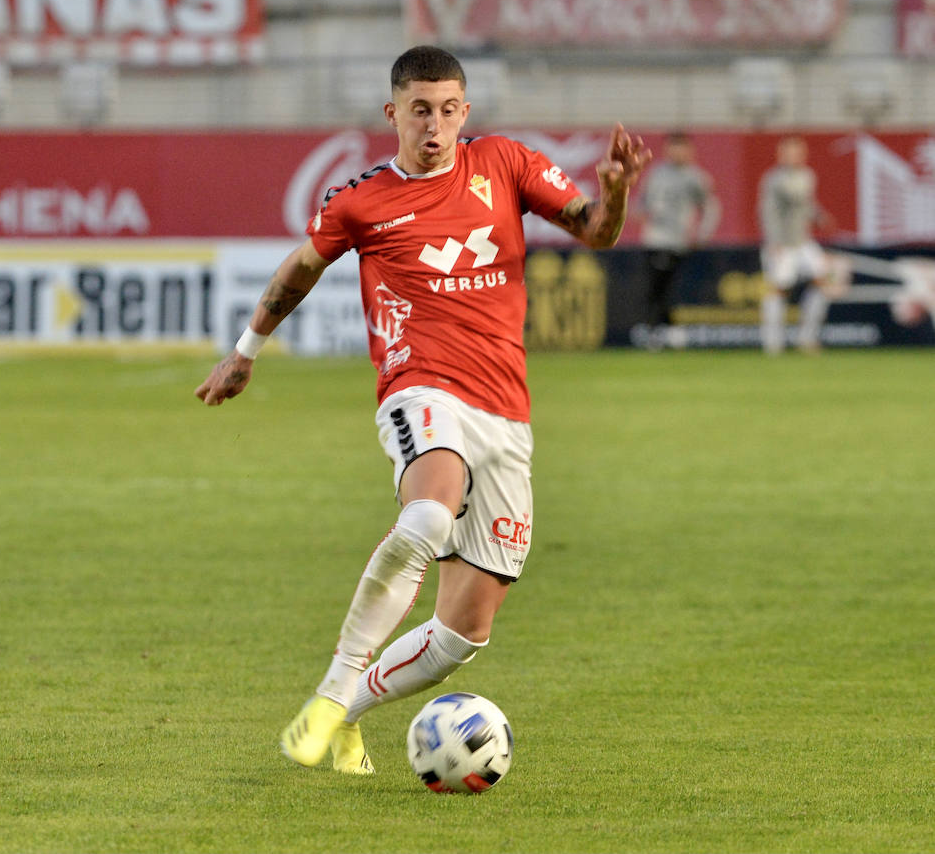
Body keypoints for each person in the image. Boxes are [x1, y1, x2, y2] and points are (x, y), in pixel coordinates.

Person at [194, 46, 649, 773]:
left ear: (464, 112)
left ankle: (349, 714)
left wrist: (618, 189)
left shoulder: (504, 164)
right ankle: (333, 687)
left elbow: (597, 229)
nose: (433, 126)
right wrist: (246, 350)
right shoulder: (361, 200)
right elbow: (299, 270)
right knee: (429, 512)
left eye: (446, 110)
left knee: (463, 633)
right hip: (419, 385)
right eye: (418, 111)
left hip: (504, 411)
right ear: (393, 114)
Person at [757, 136, 834, 354]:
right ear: (780, 155)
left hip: (802, 241)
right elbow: (767, 211)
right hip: (782, 243)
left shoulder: (807, 176)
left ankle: (806, 338)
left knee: (823, 281)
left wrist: (819, 216)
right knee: (778, 290)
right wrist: (773, 242)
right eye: (788, 152)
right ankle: (773, 343)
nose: (792, 157)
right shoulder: (773, 179)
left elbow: (806, 204)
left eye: (796, 152)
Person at [637, 132, 719, 328]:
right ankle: (656, 329)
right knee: (655, 287)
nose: (677, 152)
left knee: (673, 290)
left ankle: (667, 329)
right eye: (673, 147)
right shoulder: (656, 174)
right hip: (656, 239)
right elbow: (642, 204)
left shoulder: (695, 177)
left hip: (680, 242)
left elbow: (711, 207)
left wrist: (702, 233)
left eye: (681, 147)